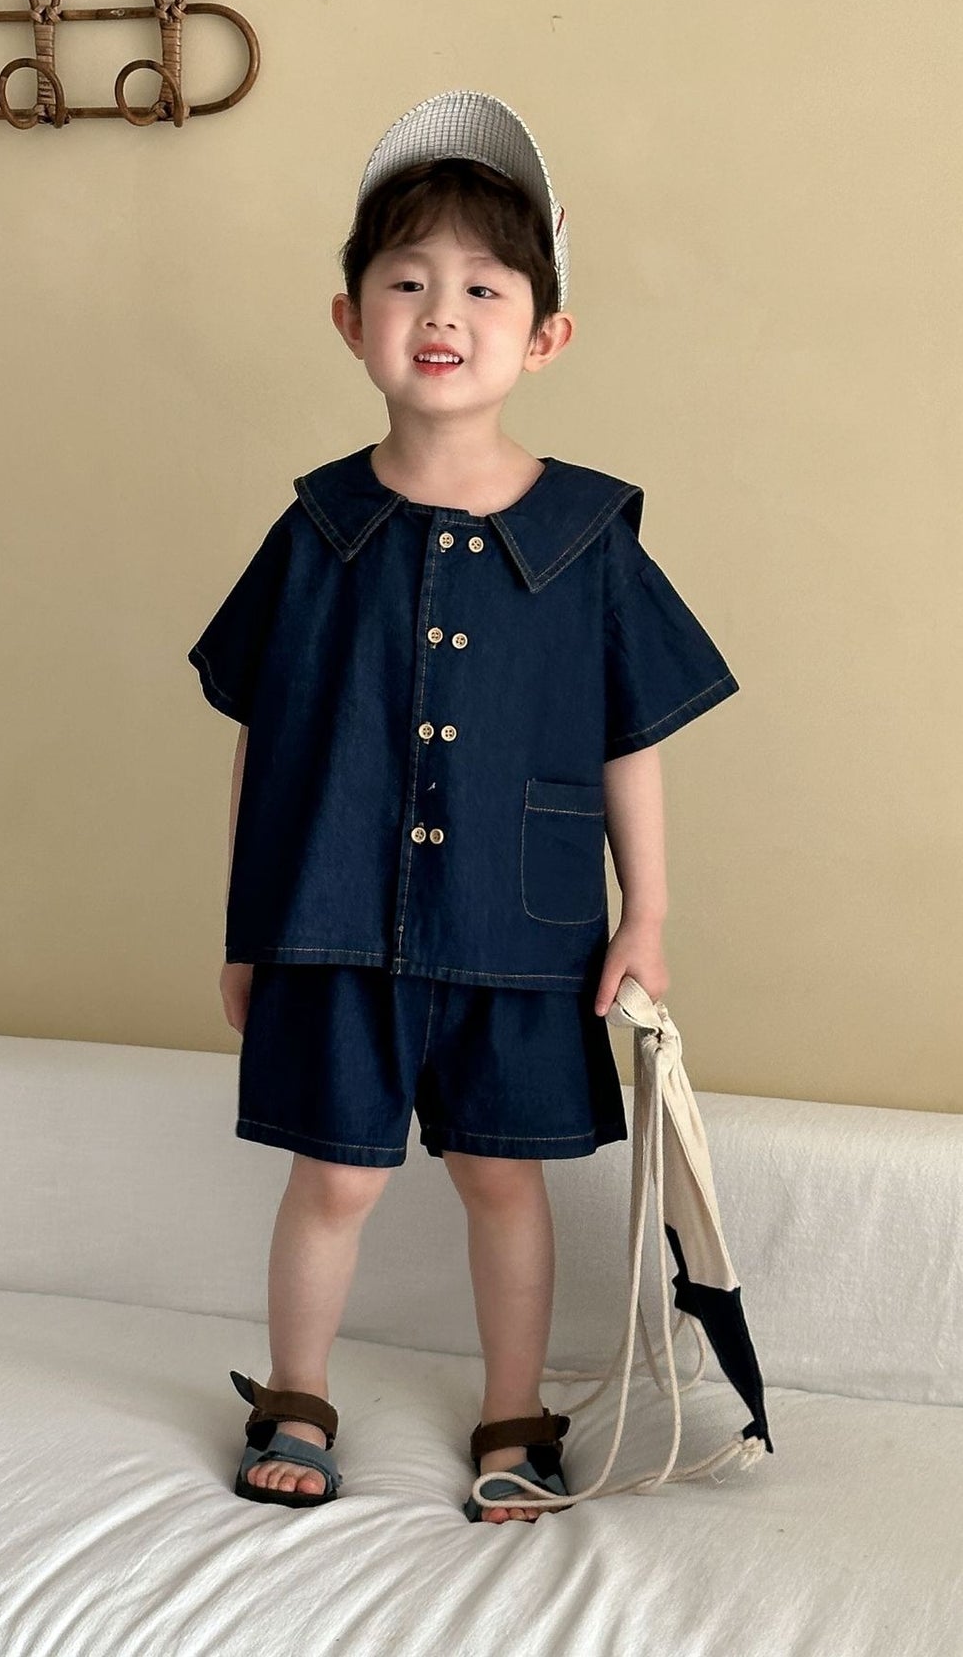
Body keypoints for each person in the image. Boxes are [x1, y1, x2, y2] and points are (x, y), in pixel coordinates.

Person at [186, 90, 740, 1524]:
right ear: (350, 319)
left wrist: (649, 917)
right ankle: (295, 1396)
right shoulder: (315, 532)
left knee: (506, 1182)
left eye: (486, 287)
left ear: (545, 334)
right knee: (334, 1179)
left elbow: (629, 740)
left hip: (524, 931)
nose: (443, 311)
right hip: (331, 929)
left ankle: (513, 1416)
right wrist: (247, 933)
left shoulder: (589, 540)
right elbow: (263, 746)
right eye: (407, 282)